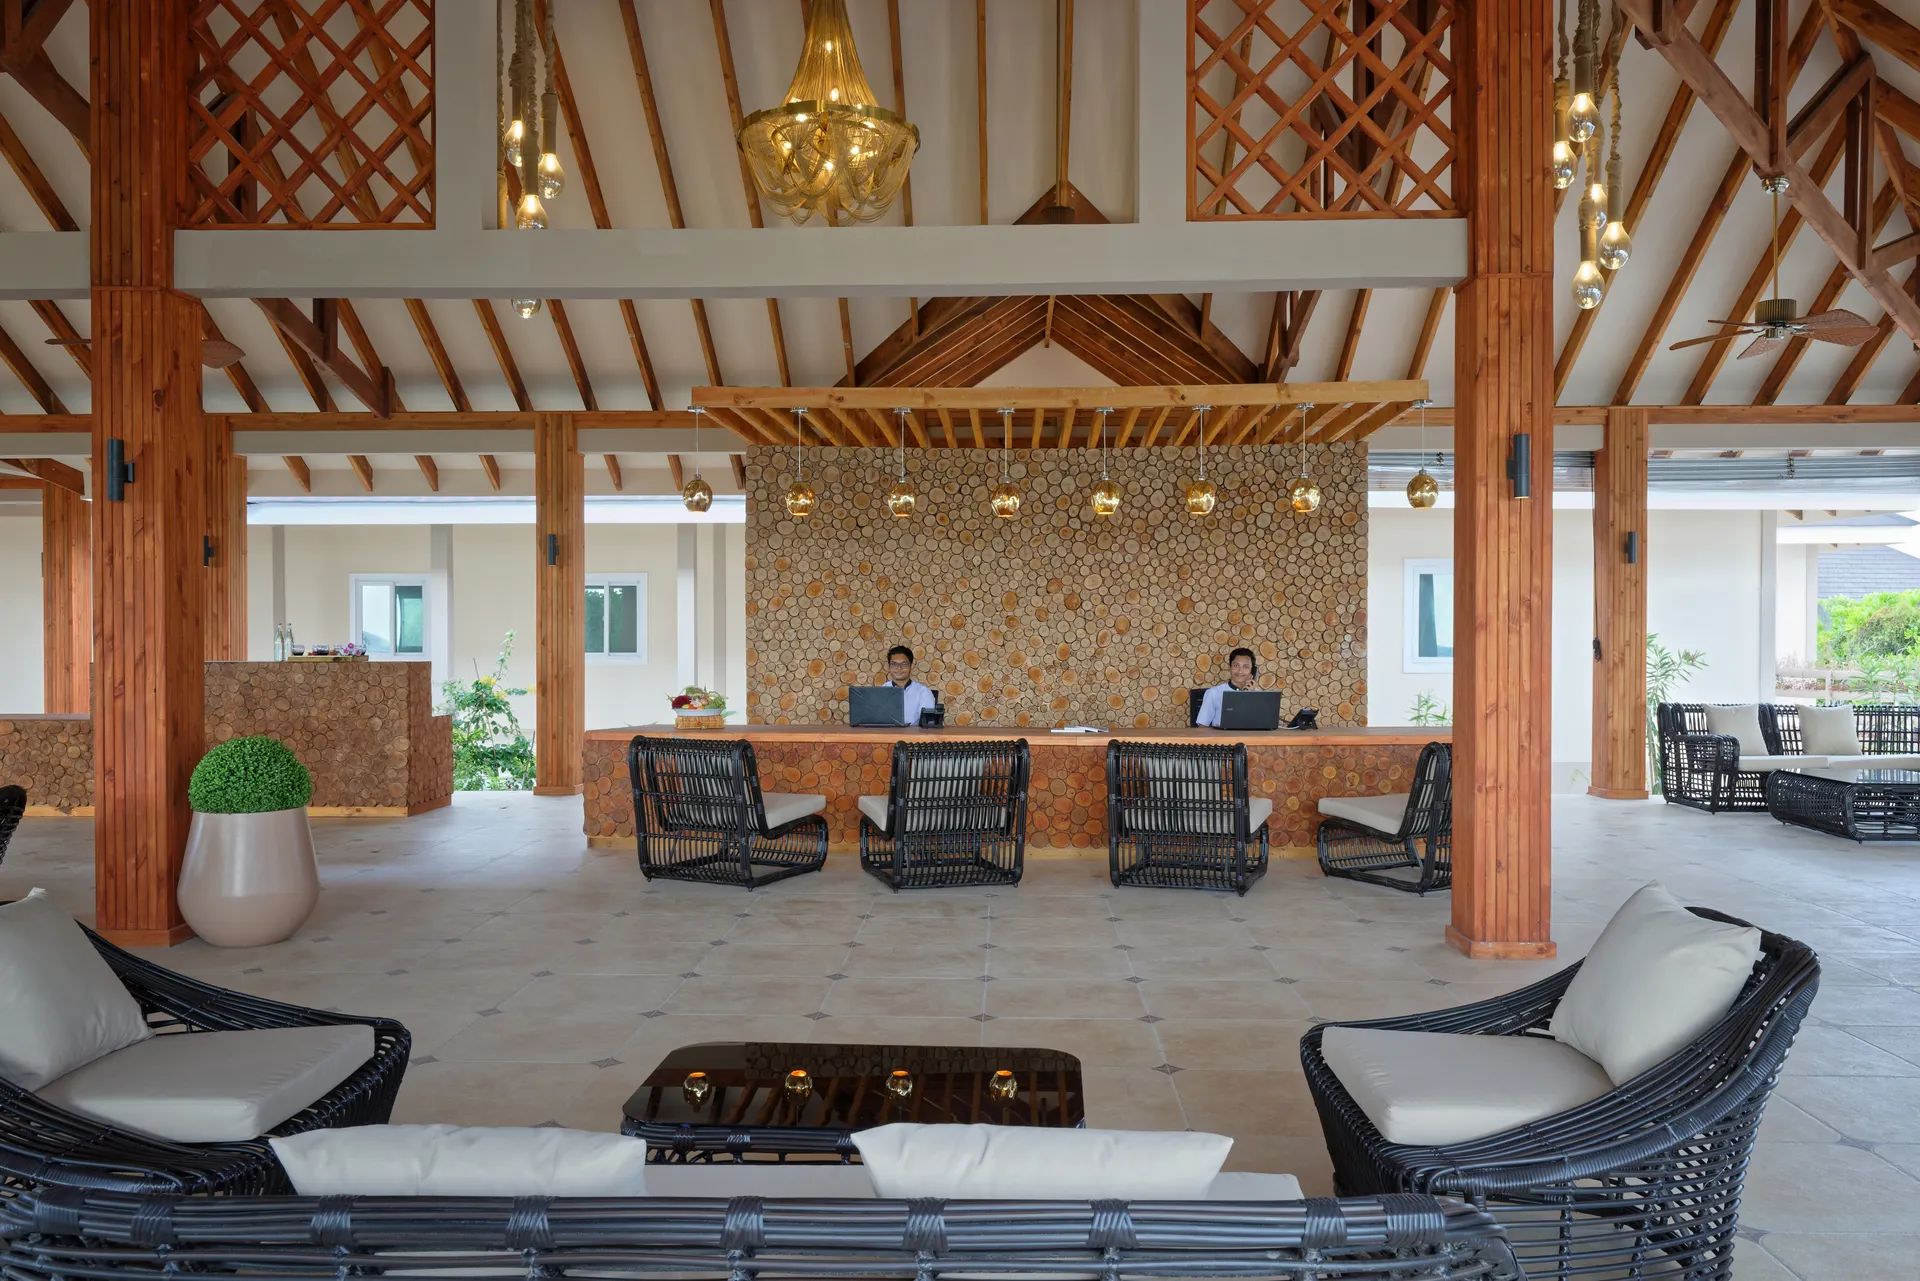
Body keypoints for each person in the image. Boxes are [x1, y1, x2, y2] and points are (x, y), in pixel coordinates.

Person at [1195, 648, 1260, 728]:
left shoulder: (1260, 696)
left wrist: (1252, 697)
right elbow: (1202, 727)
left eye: (1245, 667)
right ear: (1230, 667)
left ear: (1252, 670)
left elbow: (1264, 725)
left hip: (1251, 736)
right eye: (1236, 665)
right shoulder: (1213, 693)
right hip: (1221, 736)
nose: (1240, 671)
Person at [880, 645, 937, 726]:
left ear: (912, 666)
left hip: (913, 734)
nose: (899, 668)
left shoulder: (923, 692)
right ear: (889, 666)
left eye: (904, 663)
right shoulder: (881, 691)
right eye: (894, 664)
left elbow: (927, 725)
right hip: (885, 733)